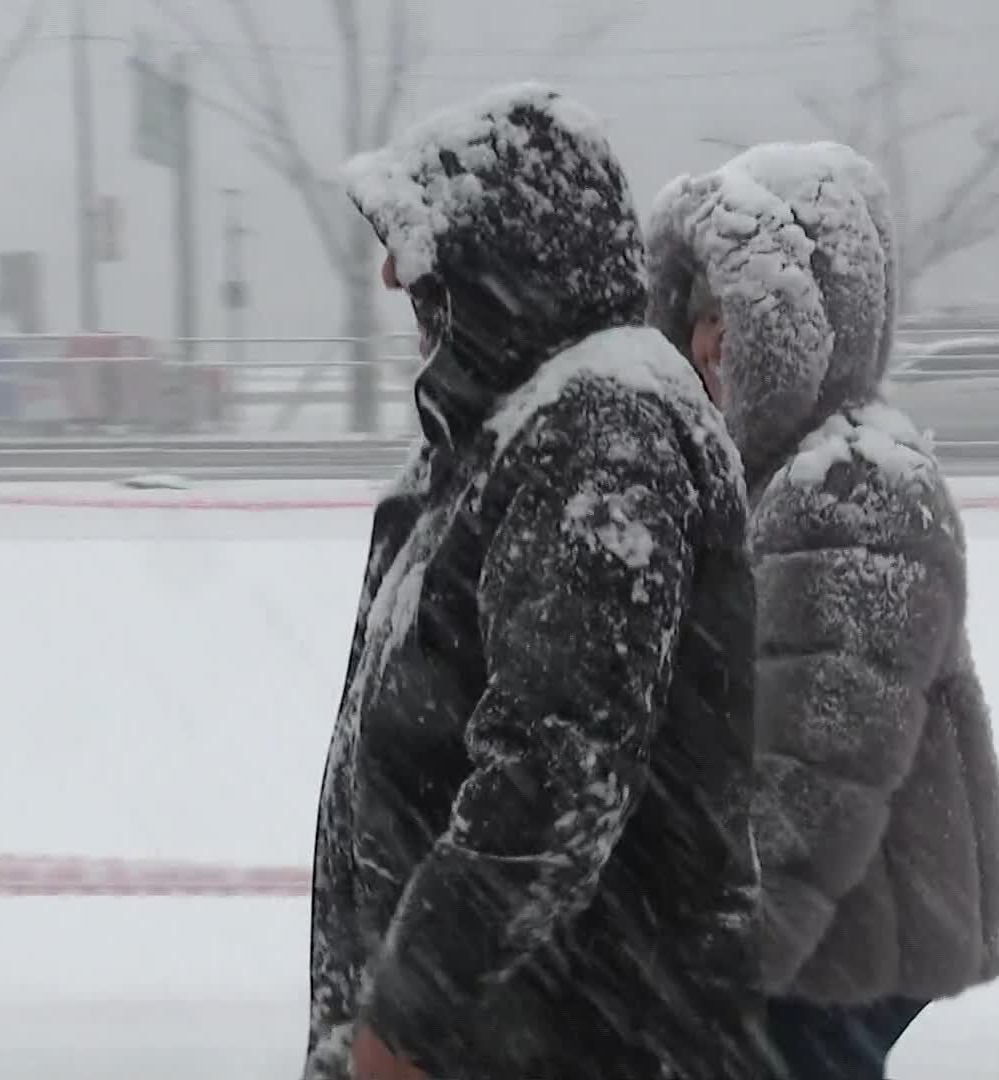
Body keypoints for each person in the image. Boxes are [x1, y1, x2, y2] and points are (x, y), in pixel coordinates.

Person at [302, 82, 767, 1080]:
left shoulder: (602, 433)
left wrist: (410, 1019)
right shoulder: (496, 437)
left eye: (419, 255)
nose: (391, 277)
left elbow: (556, 772)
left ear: (504, 256)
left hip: (563, 1040)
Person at [644, 141, 999, 1080]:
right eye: (698, 313)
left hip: (844, 931)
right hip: (823, 927)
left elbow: (824, 765)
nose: (709, 342)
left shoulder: (852, 485)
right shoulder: (767, 476)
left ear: (812, 322)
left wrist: (731, 957)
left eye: (739, 313)